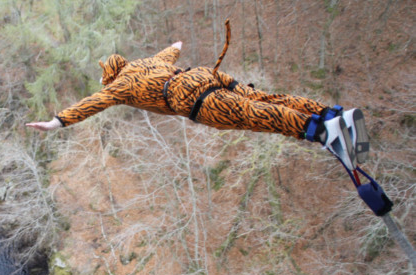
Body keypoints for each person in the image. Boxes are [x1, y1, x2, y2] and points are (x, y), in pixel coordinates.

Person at [26, 20, 369, 171]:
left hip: (189, 96)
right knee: (264, 99)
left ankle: (322, 132)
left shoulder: (119, 86)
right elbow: (171, 51)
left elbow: (92, 104)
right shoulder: (146, 62)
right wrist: (175, 46)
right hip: (204, 73)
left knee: (253, 115)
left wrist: (57, 122)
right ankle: (328, 114)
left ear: (110, 76)